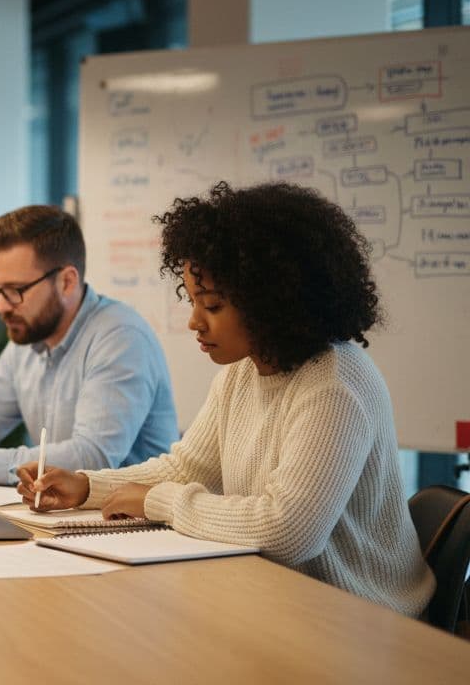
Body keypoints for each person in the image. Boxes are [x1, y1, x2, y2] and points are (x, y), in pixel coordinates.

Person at [22, 181, 434, 617]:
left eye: (213, 306)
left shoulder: (334, 385)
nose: (195, 322)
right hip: (287, 603)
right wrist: (88, 487)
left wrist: (154, 500)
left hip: (367, 623)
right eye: (194, 301)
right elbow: (188, 468)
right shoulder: (244, 371)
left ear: (271, 301)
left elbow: (286, 531)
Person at [0, 205, 178, 486]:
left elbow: (93, 457)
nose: (1, 307)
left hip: (127, 526)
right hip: (61, 518)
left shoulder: (121, 338)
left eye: (15, 291)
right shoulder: (29, 337)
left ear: (66, 282)